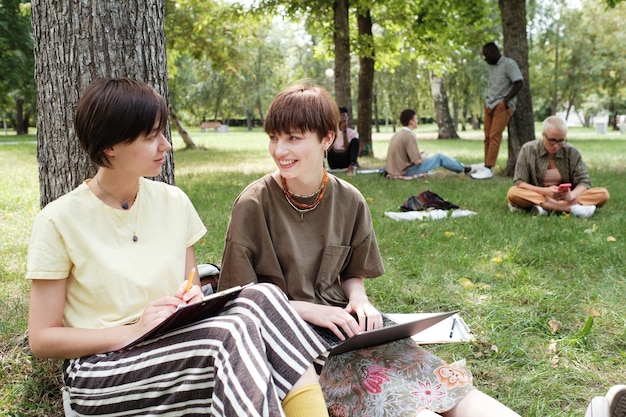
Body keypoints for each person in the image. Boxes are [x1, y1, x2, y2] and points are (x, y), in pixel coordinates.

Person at [26, 77, 330, 417]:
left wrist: (192, 301)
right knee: (229, 334)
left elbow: (191, 290)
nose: (166, 145)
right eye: (151, 136)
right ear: (111, 145)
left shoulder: (173, 202)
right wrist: (132, 330)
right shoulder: (59, 220)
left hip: (173, 344)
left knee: (265, 296)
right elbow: (42, 338)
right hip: (101, 370)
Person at [218, 83, 521, 417]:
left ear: (327, 139)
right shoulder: (253, 203)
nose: (279, 150)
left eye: (292, 138)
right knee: (403, 405)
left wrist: (359, 300)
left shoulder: (349, 199)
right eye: (274, 137)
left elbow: (352, 272)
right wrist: (308, 310)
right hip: (289, 338)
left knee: (443, 385)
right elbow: (239, 300)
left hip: (348, 327)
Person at [506, 115, 610, 217]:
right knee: (513, 193)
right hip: (539, 195)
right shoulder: (528, 149)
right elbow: (520, 182)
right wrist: (545, 191)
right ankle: (570, 208)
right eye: (552, 140)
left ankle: (545, 208)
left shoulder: (571, 152)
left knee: (603, 194)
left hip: (566, 197)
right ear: (543, 135)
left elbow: (584, 182)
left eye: (561, 140)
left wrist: (571, 195)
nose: (556, 145)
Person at [471, 41, 523, 180]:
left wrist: (505, 101)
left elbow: (519, 83)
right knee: (487, 136)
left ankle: (489, 168)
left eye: (486, 55)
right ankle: (486, 163)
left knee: (495, 136)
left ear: (494, 53)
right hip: (489, 103)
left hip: (502, 105)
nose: (485, 58)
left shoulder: (508, 64)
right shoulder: (493, 67)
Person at [385, 108, 474, 179]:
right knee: (439, 157)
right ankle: (464, 169)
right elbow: (417, 161)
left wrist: (420, 154)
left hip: (395, 170)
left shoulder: (398, 134)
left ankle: (462, 166)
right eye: (416, 118)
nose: (417, 121)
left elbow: (405, 156)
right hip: (406, 171)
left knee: (433, 157)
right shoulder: (409, 136)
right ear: (411, 121)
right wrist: (425, 154)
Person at [327, 106, 359, 175]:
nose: (343, 120)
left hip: (346, 160)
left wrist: (344, 132)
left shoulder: (353, 133)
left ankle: (352, 166)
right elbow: (331, 148)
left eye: (345, 118)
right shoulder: (332, 132)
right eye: (341, 118)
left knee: (355, 141)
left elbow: (346, 148)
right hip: (334, 160)